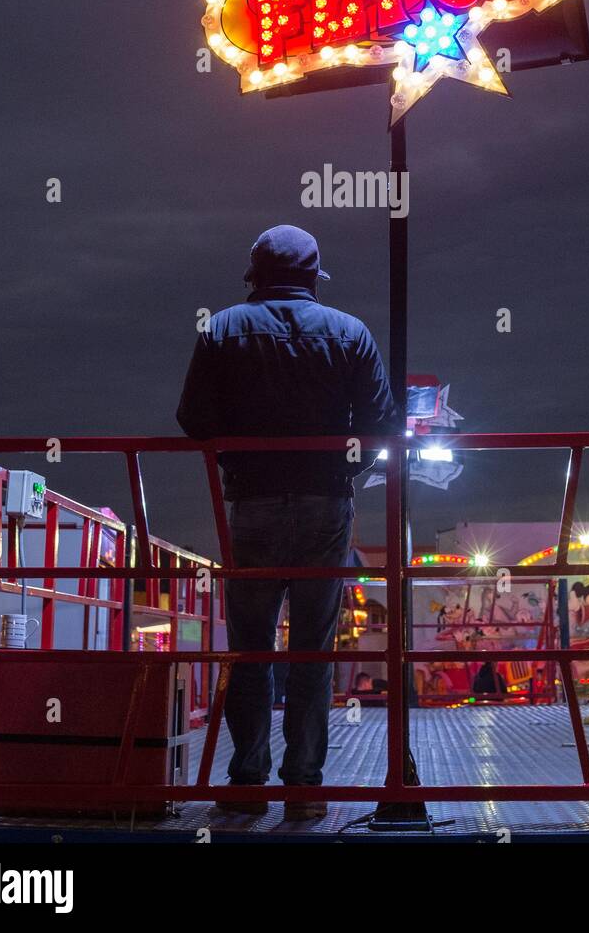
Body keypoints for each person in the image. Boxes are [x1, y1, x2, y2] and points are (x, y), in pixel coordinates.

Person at [177, 224, 396, 821]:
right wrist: (343, 472)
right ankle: (305, 785)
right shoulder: (350, 333)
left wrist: (241, 449)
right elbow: (380, 423)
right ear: (311, 276)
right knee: (312, 649)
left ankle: (247, 782)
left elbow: (193, 419)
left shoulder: (219, 328)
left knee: (250, 648)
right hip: (326, 503)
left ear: (255, 273)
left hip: (250, 504)